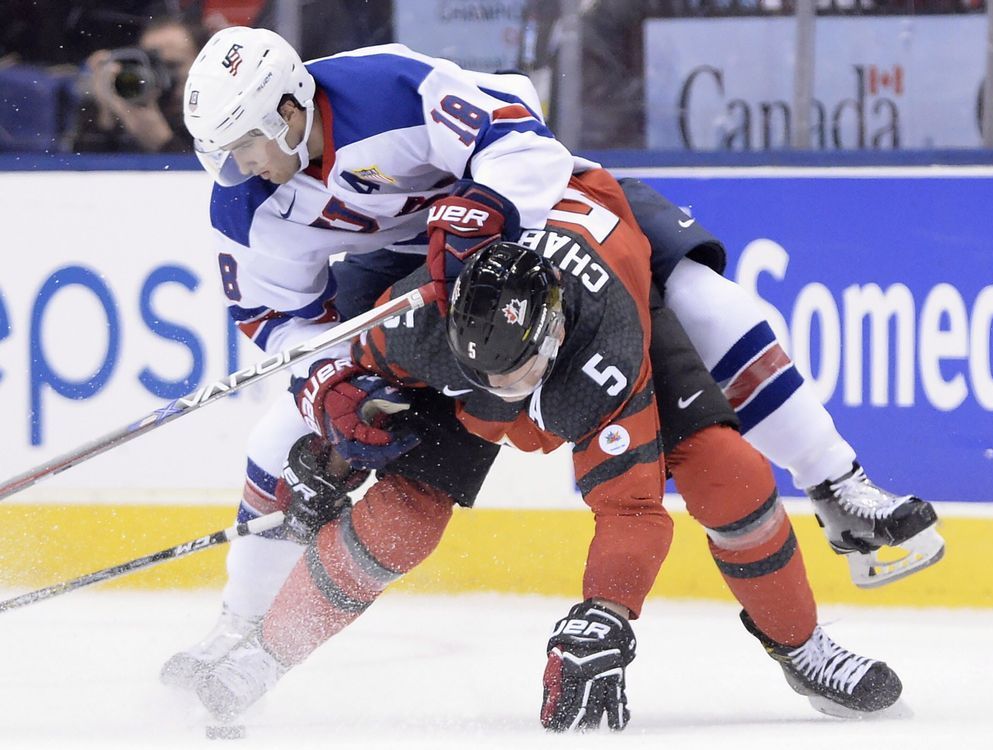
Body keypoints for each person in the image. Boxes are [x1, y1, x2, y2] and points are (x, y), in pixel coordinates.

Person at [160, 24, 933, 702]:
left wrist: (483, 207)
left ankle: (837, 484)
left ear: (291, 110)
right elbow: (279, 321)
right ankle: (242, 631)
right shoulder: (253, 210)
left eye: (248, 143)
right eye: (224, 153)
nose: (243, 166)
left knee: (713, 331)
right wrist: (331, 386)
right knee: (298, 440)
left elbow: (524, 140)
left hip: (536, 216)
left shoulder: (390, 88)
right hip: (422, 287)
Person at [189, 175, 903, 727]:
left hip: (612, 271)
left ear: (554, 330)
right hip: (503, 294)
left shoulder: (607, 353)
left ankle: (804, 649)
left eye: (514, 374)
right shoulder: (421, 318)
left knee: (729, 474)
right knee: (402, 517)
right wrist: (336, 450)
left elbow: (633, 509)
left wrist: (607, 613)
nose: (501, 389)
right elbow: (349, 387)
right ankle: (262, 655)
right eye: (484, 375)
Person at [71, 16, 209, 153]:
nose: (160, 75)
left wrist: (162, 140)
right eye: (152, 64)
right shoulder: (120, 105)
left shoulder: (212, 117)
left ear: (203, 64)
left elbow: (213, 171)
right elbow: (75, 169)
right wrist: (106, 116)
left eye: (172, 65)